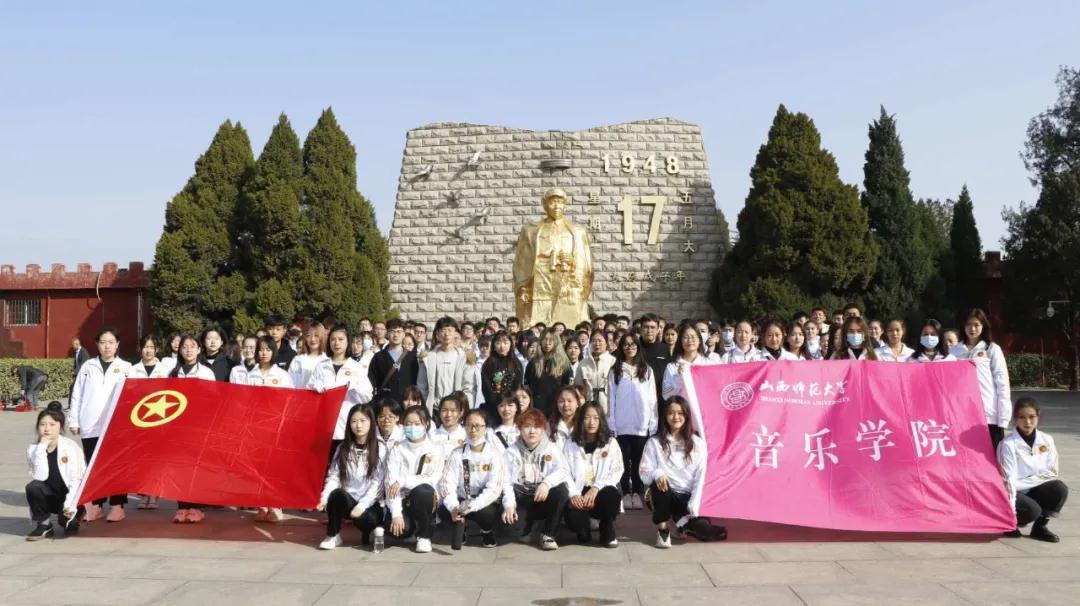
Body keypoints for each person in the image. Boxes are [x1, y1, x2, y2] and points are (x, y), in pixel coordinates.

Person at [641, 396, 726, 548]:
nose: (676, 417)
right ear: (665, 415)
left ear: (686, 416)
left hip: (687, 498)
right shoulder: (654, 442)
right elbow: (644, 472)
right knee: (660, 483)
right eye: (671, 413)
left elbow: (701, 476)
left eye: (680, 413)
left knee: (708, 532)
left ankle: (683, 525)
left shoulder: (698, 444)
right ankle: (663, 531)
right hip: (666, 493)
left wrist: (694, 502)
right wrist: (657, 473)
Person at [69, 327, 132, 523]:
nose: (107, 346)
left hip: (116, 427)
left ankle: (118, 506)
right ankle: (97, 505)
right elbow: (77, 394)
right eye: (103, 342)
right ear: (97, 344)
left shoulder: (126, 367)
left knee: (116, 466)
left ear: (117, 344)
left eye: (111, 342)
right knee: (93, 467)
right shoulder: (88, 366)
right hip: (90, 424)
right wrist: (74, 420)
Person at [998, 397, 1068, 543]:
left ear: (1038, 416)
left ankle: (1039, 528)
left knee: (1058, 488)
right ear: (1015, 419)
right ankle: (1009, 523)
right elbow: (1008, 482)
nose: (1027, 422)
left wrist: (1025, 482)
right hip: (1013, 493)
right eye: (1022, 417)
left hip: (1029, 487)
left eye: (1032, 417)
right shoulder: (1008, 444)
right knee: (1032, 510)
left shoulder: (1047, 440)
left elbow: (1052, 472)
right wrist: (1010, 514)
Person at [317, 404, 385, 550]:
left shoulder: (380, 448)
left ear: (371, 422)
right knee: (337, 494)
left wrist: (362, 506)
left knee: (368, 519)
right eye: (354, 421)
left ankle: (374, 529)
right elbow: (334, 476)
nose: (358, 425)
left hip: (370, 504)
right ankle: (333, 535)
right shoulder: (343, 447)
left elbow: (378, 483)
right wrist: (324, 497)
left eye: (363, 421)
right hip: (349, 500)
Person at [501, 408, 570, 551]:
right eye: (527, 426)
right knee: (515, 533)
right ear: (520, 429)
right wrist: (509, 505)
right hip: (522, 497)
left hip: (542, 496)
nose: (532, 431)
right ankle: (529, 525)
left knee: (562, 491)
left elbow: (563, 470)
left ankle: (548, 534)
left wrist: (546, 483)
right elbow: (506, 482)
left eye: (537, 427)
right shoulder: (511, 452)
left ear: (543, 429)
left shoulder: (551, 448)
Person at [439, 409, 506, 549]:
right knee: (443, 509)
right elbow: (447, 483)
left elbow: (494, 489)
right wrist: (453, 507)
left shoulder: (495, 455)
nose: (473, 430)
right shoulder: (456, 453)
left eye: (477, 426)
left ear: (486, 428)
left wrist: (472, 506)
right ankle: (461, 526)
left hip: (482, 502)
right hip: (461, 498)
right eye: (469, 425)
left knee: (487, 513)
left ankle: (486, 531)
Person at [168, 335, 217, 522]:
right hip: (178, 427)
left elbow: (213, 400)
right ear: (179, 350)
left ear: (199, 349)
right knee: (180, 468)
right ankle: (182, 507)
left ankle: (196, 508)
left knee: (196, 469)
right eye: (185, 347)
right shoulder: (174, 373)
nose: (188, 350)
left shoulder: (206, 373)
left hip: (199, 427)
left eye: (192, 346)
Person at [309, 325, 375, 459]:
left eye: (340, 339)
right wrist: (315, 387)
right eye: (333, 339)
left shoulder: (356, 367)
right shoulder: (321, 366)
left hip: (347, 424)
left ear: (347, 342)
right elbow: (309, 390)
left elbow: (368, 395)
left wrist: (354, 387)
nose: (336, 343)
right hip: (324, 425)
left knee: (344, 462)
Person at [608, 333, 657, 511]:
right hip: (621, 424)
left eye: (633, 344)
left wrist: (653, 422)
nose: (630, 348)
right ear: (621, 348)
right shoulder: (615, 371)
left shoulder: (647, 370)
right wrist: (612, 423)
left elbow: (652, 399)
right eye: (626, 345)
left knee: (638, 461)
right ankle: (625, 494)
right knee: (623, 460)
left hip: (641, 423)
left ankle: (637, 492)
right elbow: (611, 399)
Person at [564, 401, 623, 547]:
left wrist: (596, 487)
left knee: (611, 494)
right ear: (581, 420)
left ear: (601, 420)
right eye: (587, 418)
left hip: (600, 490)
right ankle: (583, 528)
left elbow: (617, 470)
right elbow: (564, 471)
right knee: (577, 525)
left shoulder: (610, 443)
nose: (592, 422)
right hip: (579, 490)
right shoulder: (570, 444)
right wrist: (574, 494)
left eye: (596, 418)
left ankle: (607, 529)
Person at [385, 405, 443, 553]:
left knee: (423, 491)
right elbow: (391, 483)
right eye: (408, 424)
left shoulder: (435, 449)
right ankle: (410, 526)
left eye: (417, 424)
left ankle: (424, 536)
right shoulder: (397, 449)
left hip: (425, 497)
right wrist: (396, 514)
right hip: (402, 498)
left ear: (426, 424)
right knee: (397, 532)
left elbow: (432, 479)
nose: (412, 427)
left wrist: (403, 481)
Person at [25, 402, 86, 540]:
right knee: (33, 487)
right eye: (42, 424)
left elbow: (76, 480)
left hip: (70, 496)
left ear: (60, 426)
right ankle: (44, 525)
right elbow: (40, 476)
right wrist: (42, 447)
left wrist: (69, 507)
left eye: (52, 424)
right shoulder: (33, 449)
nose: (47, 428)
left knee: (68, 525)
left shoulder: (70, 447)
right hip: (50, 496)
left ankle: (77, 514)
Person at [951, 308, 1011, 449]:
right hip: (962, 414)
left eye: (976, 325)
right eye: (968, 324)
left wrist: (1003, 416)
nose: (972, 329)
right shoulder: (954, 351)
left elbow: (1002, 382)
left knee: (993, 454)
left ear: (983, 326)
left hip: (988, 412)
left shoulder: (992, 349)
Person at [662, 323, 720, 435]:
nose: (690, 340)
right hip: (682, 419)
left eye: (693, 337)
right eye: (686, 337)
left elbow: (717, 390)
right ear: (680, 341)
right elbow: (666, 395)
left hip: (706, 417)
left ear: (699, 340)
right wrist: (680, 378)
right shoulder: (672, 366)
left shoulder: (709, 364)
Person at [418, 317, 476, 421]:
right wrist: (424, 409)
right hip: (434, 410)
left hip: (456, 410)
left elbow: (468, 387)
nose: (446, 334)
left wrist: (465, 410)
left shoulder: (465, 357)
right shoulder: (427, 358)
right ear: (437, 334)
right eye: (443, 330)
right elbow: (422, 387)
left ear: (456, 333)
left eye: (450, 330)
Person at [368, 318, 420, 404]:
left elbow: (416, 381)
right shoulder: (378, 357)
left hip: (406, 402)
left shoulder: (411, 357)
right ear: (387, 333)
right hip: (385, 403)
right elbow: (372, 381)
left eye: (399, 331)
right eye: (392, 331)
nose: (396, 335)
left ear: (404, 334)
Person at [524, 328, 574, 417]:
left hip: (556, 410)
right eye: (545, 340)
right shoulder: (533, 363)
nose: (547, 343)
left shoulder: (564, 364)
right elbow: (527, 386)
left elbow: (568, 388)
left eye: (551, 340)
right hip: (536, 409)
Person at [480, 330, 524, 423]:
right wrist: (498, 402)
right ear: (494, 345)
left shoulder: (516, 363)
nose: (502, 346)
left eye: (505, 342)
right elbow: (486, 387)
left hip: (510, 407)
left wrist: (508, 402)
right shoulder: (489, 363)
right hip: (493, 407)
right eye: (498, 343)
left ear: (511, 344)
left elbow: (517, 385)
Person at [575, 331, 617, 412]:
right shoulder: (583, 363)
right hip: (589, 404)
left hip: (608, 405)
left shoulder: (613, 361)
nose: (597, 344)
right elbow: (578, 387)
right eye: (594, 341)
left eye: (600, 341)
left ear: (606, 343)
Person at [638, 313, 671, 403]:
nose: (649, 331)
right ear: (641, 329)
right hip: (639, 394)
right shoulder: (635, 348)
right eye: (646, 327)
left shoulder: (664, 348)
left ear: (658, 330)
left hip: (660, 396)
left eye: (652, 327)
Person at [288, 322, 328, 389]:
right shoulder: (298, 360)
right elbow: (290, 384)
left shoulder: (327, 360)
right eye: (308, 336)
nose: (312, 339)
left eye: (316, 335)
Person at [432, 393, 468, 459]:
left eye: (453, 410)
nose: (448, 414)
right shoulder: (431, 435)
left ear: (461, 412)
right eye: (444, 410)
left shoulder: (466, 435)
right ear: (439, 412)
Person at [549, 386, 580, 450]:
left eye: (569, 401)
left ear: (577, 403)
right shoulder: (549, 426)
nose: (566, 404)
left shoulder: (583, 424)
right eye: (561, 401)